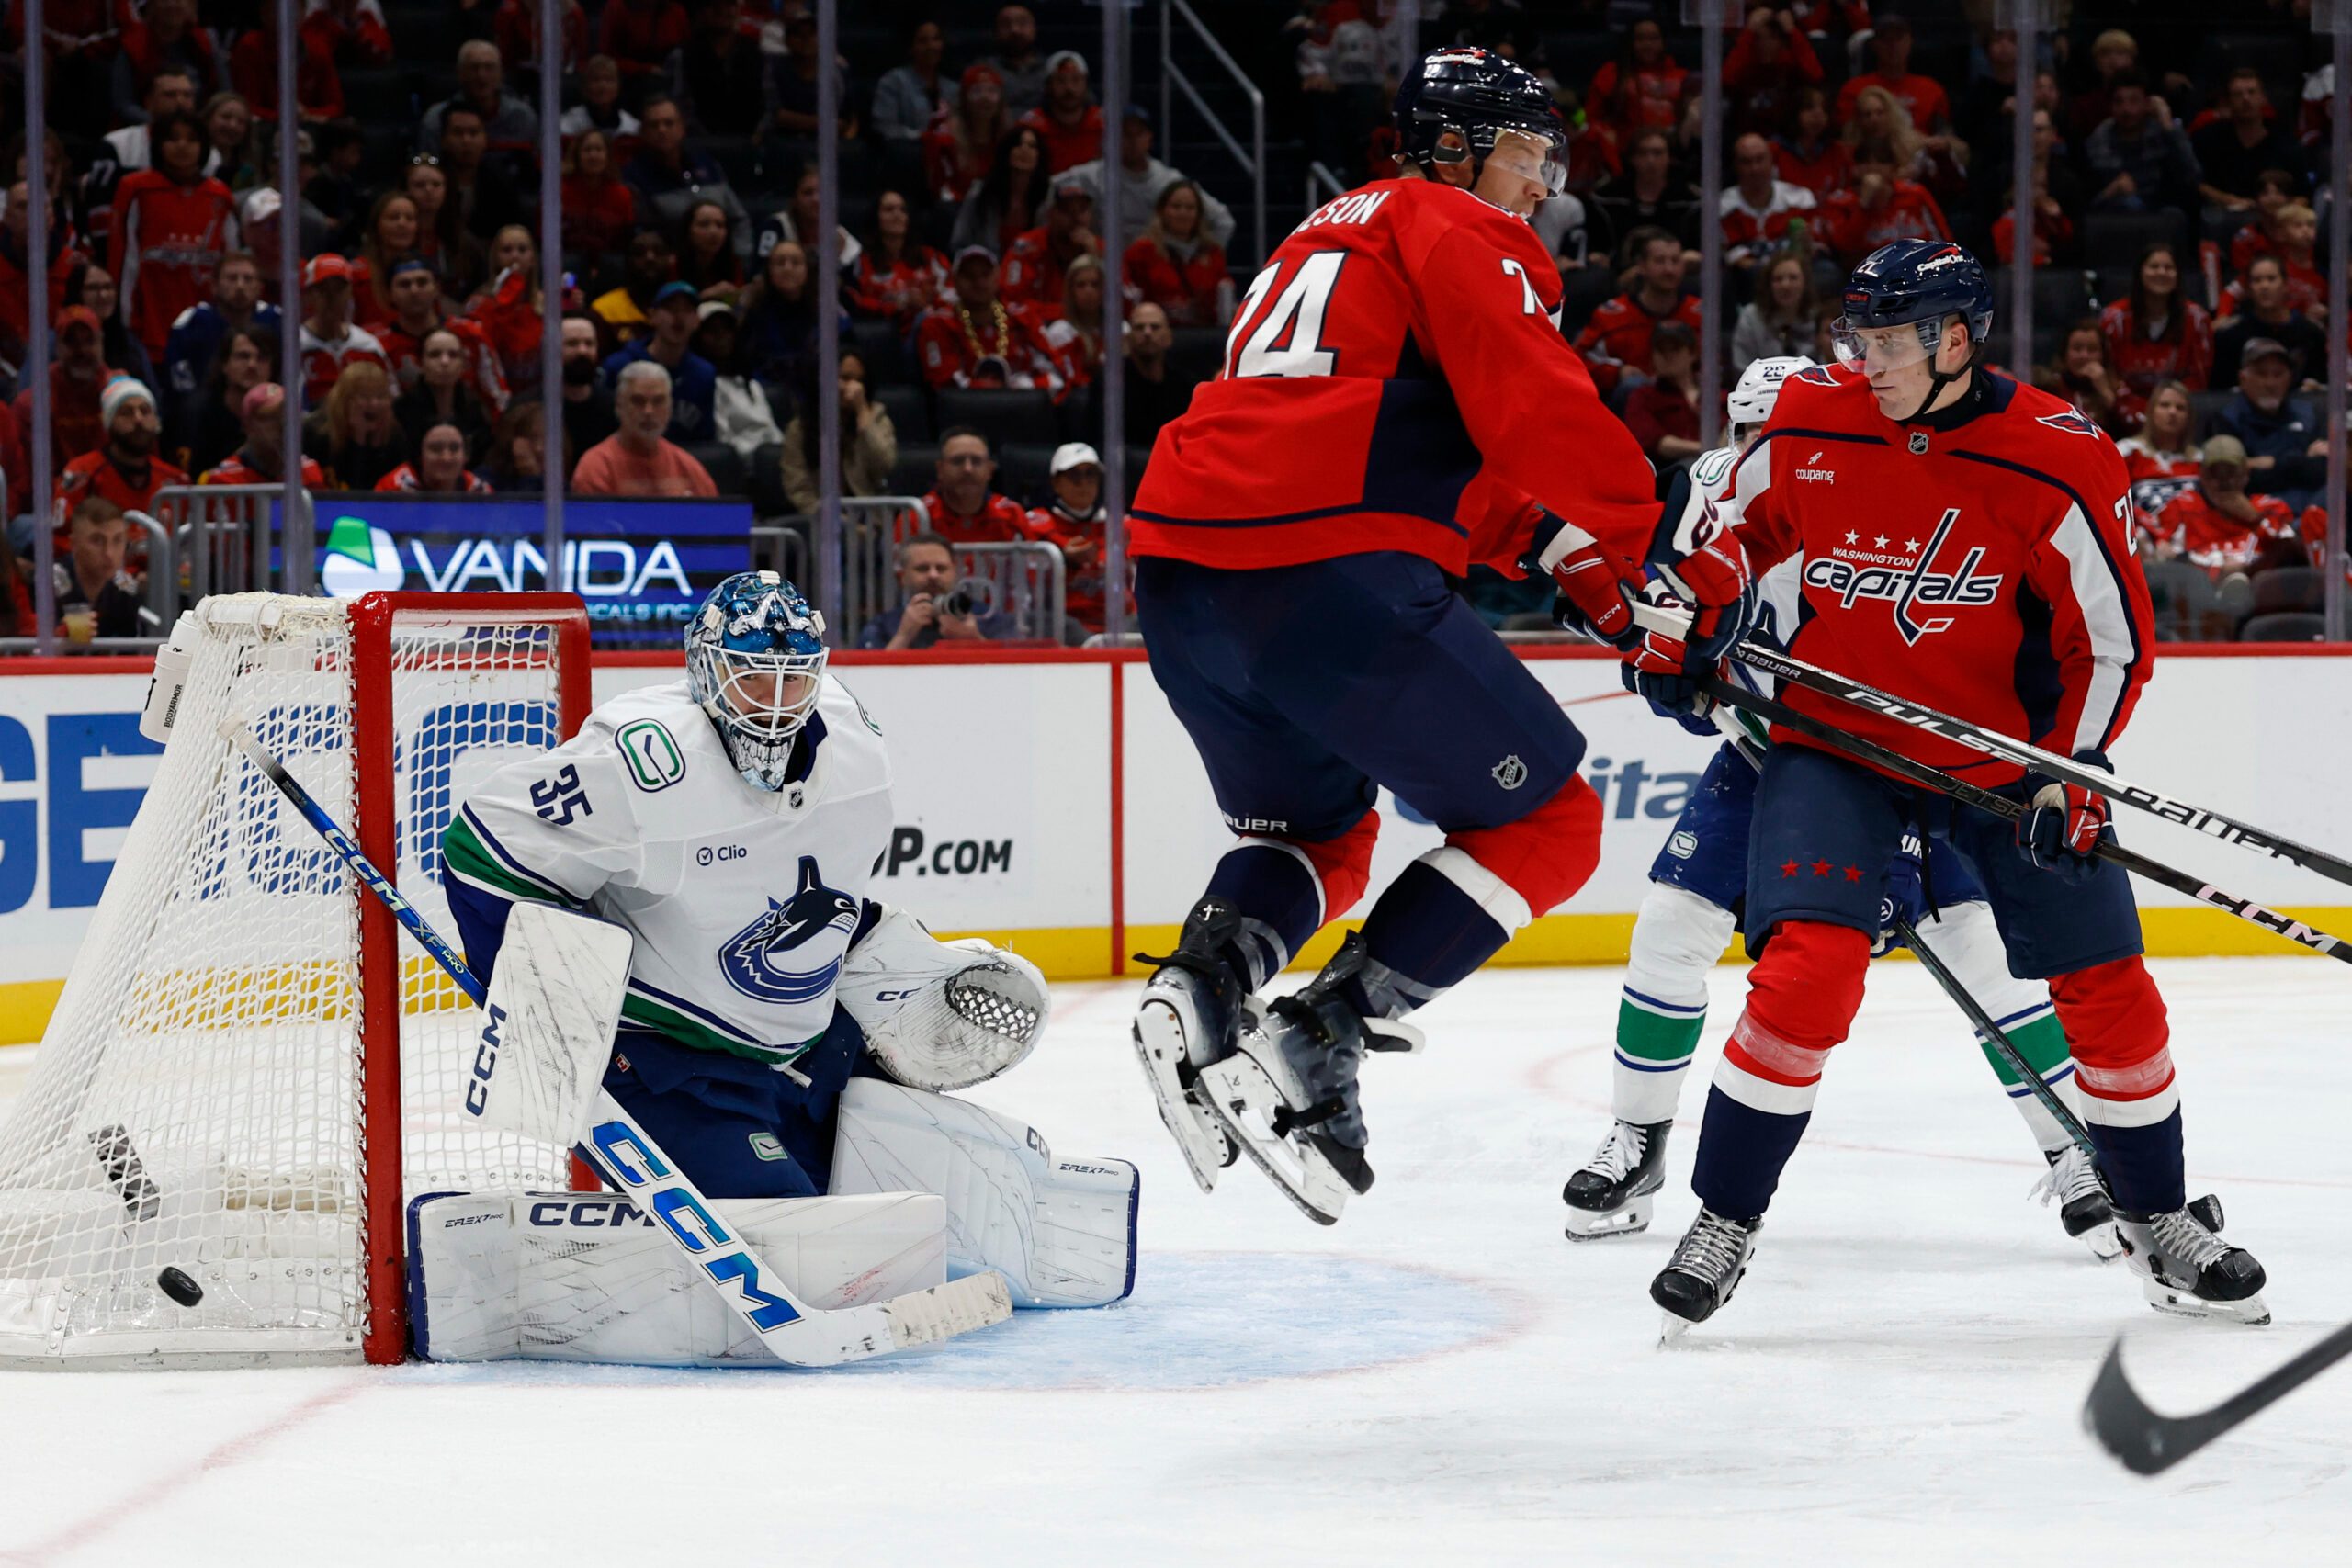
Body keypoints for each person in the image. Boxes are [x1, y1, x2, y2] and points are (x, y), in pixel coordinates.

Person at [1619, 238, 2266, 1329]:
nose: (1860, 358)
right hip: (1837, 747)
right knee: (1805, 978)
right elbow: (1736, 539)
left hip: (2004, 765)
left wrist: (2077, 772)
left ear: (1953, 339)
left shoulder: (2055, 454)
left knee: (2111, 994)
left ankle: (2156, 1218)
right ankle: (1724, 1216)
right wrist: (1684, 611)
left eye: (1884, 340)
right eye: (1854, 336)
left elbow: (2103, 646)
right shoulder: (1813, 421)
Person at [1124, 49, 1658, 1217]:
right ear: (1455, 149)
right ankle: (1325, 1031)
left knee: (1312, 831)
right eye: (1523, 154)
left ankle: (1209, 982)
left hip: (1180, 572)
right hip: (1321, 571)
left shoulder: (1322, 232)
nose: (1539, 184)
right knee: (1553, 821)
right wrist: (1652, 549)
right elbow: (1533, 403)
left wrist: (1558, 548)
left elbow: (1385, 424)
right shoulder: (1458, 225)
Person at [436, 570, 1123, 1337]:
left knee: (958, 1222)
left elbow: (818, 891)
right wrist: (548, 1009)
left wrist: (886, 954)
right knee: (819, 1261)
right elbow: (480, 849)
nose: (773, 697)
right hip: (674, 1064)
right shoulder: (640, 762)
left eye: (793, 676)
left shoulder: (857, 745)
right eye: (751, 670)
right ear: (703, 667)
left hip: (806, 1050)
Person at [1559, 355, 2115, 1254]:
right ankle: (1638, 1141)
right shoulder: (1704, 500)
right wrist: (1672, 677)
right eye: (1748, 435)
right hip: (1768, 759)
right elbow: (1653, 636)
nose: (1761, 455)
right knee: (1668, 926)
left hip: (1902, 764)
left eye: (1779, 434)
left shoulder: (1873, 495)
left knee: (1973, 945)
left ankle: (2073, 1147)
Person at [108, 107, 236, 367]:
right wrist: (125, 320)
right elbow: (124, 258)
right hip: (148, 326)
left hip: (207, 329)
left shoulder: (219, 195)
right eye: (173, 138)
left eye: (191, 139)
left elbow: (231, 262)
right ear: (158, 144)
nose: (182, 146)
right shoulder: (136, 189)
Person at [1062, 107, 1236, 251]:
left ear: (1149, 138)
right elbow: (1050, 189)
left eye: (1139, 133)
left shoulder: (1168, 180)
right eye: (1126, 134)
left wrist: (1194, 257)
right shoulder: (1091, 175)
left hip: (1154, 275)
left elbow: (1223, 221)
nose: (1133, 140)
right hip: (1105, 269)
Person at [53, 378, 186, 551]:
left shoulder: (175, 480)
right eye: (126, 412)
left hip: (162, 576)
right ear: (108, 423)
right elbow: (59, 540)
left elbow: (189, 547)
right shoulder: (81, 474)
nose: (138, 419)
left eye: (145, 411)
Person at [913, 247, 1069, 393]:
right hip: (964, 414)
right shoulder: (937, 324)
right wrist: (1001, 391)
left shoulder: (1023, 317)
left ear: (997, 277)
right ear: (955, 281)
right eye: (969, 276)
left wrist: (1024, 388)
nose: (978, 282)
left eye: (985, 274)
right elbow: (943, 384)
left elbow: (1056, 368)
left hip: (1023, 409)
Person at [2145, 433, 2298, 581]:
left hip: (2258, 598)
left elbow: (2292, 551)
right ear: (2203, 475)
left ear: (2245, 474)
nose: (2224, 482)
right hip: (2198, 598)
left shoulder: (2269, 507)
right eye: (2215, 473)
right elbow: (2161, 555)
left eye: (2231, 473)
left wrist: (2254, 518)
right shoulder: (2182, 506)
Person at [1575, 226, 1705, 395]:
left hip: (1686, 405)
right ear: (1641, 266)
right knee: (1632, 386)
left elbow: (1719, 367)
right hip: (1628, 406)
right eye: (1659, 261)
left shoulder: (1701, 313)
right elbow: (1574, 361)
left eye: (1675, 261)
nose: (1669, 269)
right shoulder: (1611, 315)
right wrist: (1617, 373)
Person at [2098, 243, 2211, 431]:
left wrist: (2167, 411)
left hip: (2176, 419)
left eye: (2168, 268)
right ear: (2140, 273)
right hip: (2122, 418)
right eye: (2154, 266)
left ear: (2178, 276)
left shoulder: (2197, 320)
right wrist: (2137, 412)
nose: (2161, 272)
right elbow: (2110, 375)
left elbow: (2197, 381)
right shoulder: (2113, 319)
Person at [624, 96, 752, 261]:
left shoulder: (707, 164)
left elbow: (738, 218)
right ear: (643, 132)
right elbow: (645, 235)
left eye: (669, 123)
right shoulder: (634, 176)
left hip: (721, 262)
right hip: (671, 267)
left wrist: (740, 258)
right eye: (654, 125)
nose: (662, 130)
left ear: (682, 127)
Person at [374, 257, 507, 412]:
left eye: (422, 282)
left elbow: (498, 396)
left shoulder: (470, 334)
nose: (414, 291)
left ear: (437, 288)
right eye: (404, 284)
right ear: (389, 293)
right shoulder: (379, 346)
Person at [2209, 340, 2326, 513]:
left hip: (2314, 510)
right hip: (2257, 514)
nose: (2271, 383)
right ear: (2243, 379)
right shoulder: (2225, 421)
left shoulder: (2309, 414)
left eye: (2278, 374)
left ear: (2289, 378)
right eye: (2261, 374)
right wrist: (2302, 459)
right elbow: (2237, 480)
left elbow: (2324, 470)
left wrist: (2272, 463)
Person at [571, 359, 718, 497]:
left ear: (670, 407)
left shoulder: (688, 467)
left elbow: (715, 520)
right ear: (619, 405)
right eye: (638, 401)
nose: (649, 411)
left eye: (658, 401)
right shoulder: (596, 468)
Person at [780, 348, 896, 514]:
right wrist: (840, 524)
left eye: (859, 381)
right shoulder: (800, 429)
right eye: (846, 378)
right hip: (822, 523)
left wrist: (863, 413)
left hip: (872, 520)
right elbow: (799, 490)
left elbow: (884, 466)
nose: (854, 388)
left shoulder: (878, 419)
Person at [164, 250, 280, 413]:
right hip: (205, 413)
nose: (240, 286)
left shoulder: (277, 320)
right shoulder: (191, 322)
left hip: (268, 407)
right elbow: (179, 383)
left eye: (248, 279)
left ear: (260, 287)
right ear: (214, 286)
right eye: (232, 278)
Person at [856, 534, 1022, 649]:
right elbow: (866, 681)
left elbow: (1013, 674)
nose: (933, 575)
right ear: (903, 576)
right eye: (922, 568)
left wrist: (974, 639)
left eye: (941, 568)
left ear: (955, 572)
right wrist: (903, 637)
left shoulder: (987, 618)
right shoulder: (883, 625)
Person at [605, 281, 718, 444]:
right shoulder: (619, 366)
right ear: (652, 316)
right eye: (670, 309)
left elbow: (705, 438)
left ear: (697, 321)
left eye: (687, 310)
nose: (678, 317)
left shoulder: (705, 373)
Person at [1022, 441, 1113, 637]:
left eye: (1091, 475)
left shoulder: (1118, 525)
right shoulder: (1036, 524)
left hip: (1115, 622)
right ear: (1056, 483)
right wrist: (1062, 559)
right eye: (1074, 476)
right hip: (1063, 623)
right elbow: (1025, 584)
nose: (1084, 484)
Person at [2192, 69, 2307, 222]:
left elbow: (2303, 195)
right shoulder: (2209, 137)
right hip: (2225, 214)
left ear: (2263, 98)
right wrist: (2226, 199)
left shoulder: (2285, 141)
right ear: (2228, 101)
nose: (2246, 99)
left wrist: (2282, 208)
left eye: (2251, 92)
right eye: (2238, 94)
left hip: (2276, 218)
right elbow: (2197, 184)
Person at [1817, 139, 1951, 266]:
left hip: (1918, 269)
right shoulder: (1840, 202)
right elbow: (1844, 248)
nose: (1873, 168)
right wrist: (1864, 205)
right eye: (1866, 162)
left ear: (1893, 168)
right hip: (1866, 276)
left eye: (1881, 162)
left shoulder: (1915, 194)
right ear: (1856, 169)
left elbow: (1942, 238)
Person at [2085, 70, 2200, 216]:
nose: (2126, 109)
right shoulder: (2099, 139)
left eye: (2134, 101)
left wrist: (2169, 127)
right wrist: (2110, 192)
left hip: (2159, 214)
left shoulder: (2162, 133)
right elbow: (2085, 202)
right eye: (2119, 102)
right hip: (2115, 218)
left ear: (2147, 104)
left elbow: (2192, 177)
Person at [417, 40, 539, 175]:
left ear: (501, 74)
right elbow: (427, 167)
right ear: (460, 73)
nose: (481, 75)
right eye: (474, 68)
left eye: (489, 67)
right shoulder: (436, 119)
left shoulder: (523, 118)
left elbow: (535, 168)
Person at [0, 178, 83, 369]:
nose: (32, 214)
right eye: (22, 207)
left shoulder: (75, 269)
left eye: (39, 206)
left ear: (52, 216)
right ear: (6, 217)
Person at [2211, 254, 2325, 389]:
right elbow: (2219, 391)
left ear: (2285, 285)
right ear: (2248, 289)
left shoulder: (2311, 333)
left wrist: (2315, 388)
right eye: (2257, 280)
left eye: (2271, 279)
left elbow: (2322, 384)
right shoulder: (2231, 336)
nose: (2264, 286)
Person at [16, 305, 112, 467]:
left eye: (89, 340)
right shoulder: (33, 405)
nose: (82, 350)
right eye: (71, 342)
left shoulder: (122, 396)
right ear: (57, 347)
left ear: (101, 342)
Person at [691, 297, 783, 462]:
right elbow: (725, 442)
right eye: (712, 331)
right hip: (742, 468)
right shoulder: (702, 386)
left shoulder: (750, 383)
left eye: (726, 330)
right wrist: (765, 457)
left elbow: (771, 429)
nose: (721, 337)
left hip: (771, 462)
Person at [1589, 128, 1702, 262]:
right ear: (1632, 158)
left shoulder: (1690, 199)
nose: (1650, 160)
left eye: (1658, 153)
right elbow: (1599, 248)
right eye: (1643, 153)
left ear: (1669, 158)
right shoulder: (1607, 198)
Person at [1720, 132, 1817, 288]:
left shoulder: (1800, 199)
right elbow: (1737, 259)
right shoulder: (1723, 206)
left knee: (1827, 271)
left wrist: (1807, 243)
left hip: (1796, 271)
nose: (1755, 168)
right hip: (1750, 277)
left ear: (1772, 162)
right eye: (1746, 162)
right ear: (1736, 166)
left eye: (1760, 159)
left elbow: (1809, 251)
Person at [1124, 180, 1227, 328]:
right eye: (1176, 206)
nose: (1183, 213)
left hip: (1203, 334)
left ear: (1199, 214)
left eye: (1190, 208)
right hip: (1155, 335)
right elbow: (1131, 297)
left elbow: (1221, 296)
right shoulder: (1142, 251)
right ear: (1162, 211)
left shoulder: (1212, 252)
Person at [295, 253, 391, 402]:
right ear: (309, 295)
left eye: (339, 289)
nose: (331, 298)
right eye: (323, 290)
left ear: (350, 293)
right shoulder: (296, 345)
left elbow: (390, 395)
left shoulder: (367, 346)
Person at [1832, 13, 1950, 135]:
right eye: (1885, 39)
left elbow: (1944, 137)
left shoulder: (1932, 89)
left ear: (1910, 42)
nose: (1893, 45)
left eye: (1898, 38)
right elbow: (1848, 138)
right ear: (1874, 45)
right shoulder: (1854, 89)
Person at [180, 323, 275, 475]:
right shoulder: (197, 415)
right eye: (243, 356)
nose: (252, 365)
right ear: (224, 364)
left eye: (262, 358)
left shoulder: (281, 414)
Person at [850, 189, 948, 332]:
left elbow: (952, 293)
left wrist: (927, 303)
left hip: (932, 327)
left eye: (903, 210)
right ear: (876, 218)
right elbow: (856, 301)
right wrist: (897, 306)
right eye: (889, 210)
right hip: (891, 334)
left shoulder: (931, 257)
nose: (898, 215)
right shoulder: (862, 262)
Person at [302, 358, 406, 491]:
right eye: (364, 397)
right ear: (345, 399)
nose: (374, 404)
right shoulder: (316, 433)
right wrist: (359, 439)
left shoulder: (394, 435)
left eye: (380, 397)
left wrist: (374, 447)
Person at [51, 497, 147, 642]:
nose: (109, 553)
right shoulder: (49, 583)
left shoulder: (127, 589)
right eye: (97, 540)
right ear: (74, 544)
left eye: (117, 540)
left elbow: (134, 651)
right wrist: (59, 636)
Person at [393, 326, 495, 461]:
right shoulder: (401, 410)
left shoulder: (476, 409)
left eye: (453, 355)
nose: (445, 362)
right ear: (420, 363)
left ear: (463, 364)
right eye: (435, 355)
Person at [200, 381, 329, 487]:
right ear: (247, 425)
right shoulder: (222, 481)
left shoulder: (309, 471)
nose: (282, 425)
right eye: (270, 418)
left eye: (287, 416)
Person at [433, 104, 526, 247]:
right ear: (443, 140)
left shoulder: (501, 181)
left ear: (485, 139)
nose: (466, 140)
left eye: (473, 132)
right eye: (458, 133)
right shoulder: (432, 181)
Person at [951, 124, 1048, 258]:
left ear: (1039, 156)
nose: (1024, 149)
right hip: (984, 274)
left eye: (1032, 146)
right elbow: (959, 243)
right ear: (1006, 152)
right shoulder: (980, 194)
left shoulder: (1047, 198)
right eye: (1018, 144)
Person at [1001, 178, 1100, 311]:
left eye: (1082, 210)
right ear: (1050, 214)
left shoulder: (1101, 249)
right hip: (1036, 327)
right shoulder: (1026, 247)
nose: (1076, 218)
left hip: (1088, 328)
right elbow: (1012, 302)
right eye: (1067, 210)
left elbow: (1124, 304)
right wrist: (1065, 314)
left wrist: (1095, 261)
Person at [920, 426, 1029, 544]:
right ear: (940, 469)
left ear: (990, 470)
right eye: (958, 461)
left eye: (976, 461)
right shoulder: (918, 515)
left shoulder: (1012, 515)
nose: (968, 469)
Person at [2116, 379, 2202, 524]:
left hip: (2192, 539)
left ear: (2189, 417)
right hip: (2141, 538)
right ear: (2150, 411)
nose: (2172, 412)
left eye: (2180, 408)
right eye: (2164, 405)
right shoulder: (2127, 451)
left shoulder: (2201, 460)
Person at [676, 0, 765, 139]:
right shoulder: (683, 54)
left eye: (729, 5)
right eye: (714, 5)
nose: (722, 11)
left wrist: (758, 134)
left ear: (737, 9)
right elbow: (680, 105)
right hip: (698, 143)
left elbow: (769, 101)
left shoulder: (755, 51)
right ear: (702, 12)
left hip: (750, 142)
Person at [1621, 318, 1703, 466]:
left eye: (1675, 349)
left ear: (1692, 353)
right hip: (1670, 472)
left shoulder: (1717, 395)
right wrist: (1709, 447)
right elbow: (1655, 443)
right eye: (1660, 350)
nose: (1667, 355)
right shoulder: (1643, 397)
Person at [1588, 17, 1688, 139]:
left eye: (1654, 39)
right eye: (1640, 39)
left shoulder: (1683, 77)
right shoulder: (1611, 73)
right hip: (1624, 148)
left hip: (1674, 148)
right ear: (1630, 43)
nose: (1648, 45)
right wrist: (1602, 132)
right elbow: (1589, 117)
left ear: (1663, 42)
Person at [924, 64, 1009, 206]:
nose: (985, 98)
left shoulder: (1009, 139)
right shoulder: (945, 139)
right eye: (977, 91)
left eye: (992, 91)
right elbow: (939, 191)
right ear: (964, 99)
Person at [1119, 300, 1197, 447]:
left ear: (1168, 337)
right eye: (1139, 327)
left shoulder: (1183, 385)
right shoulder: (1112, 385)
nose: (1147, 333)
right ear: (1128, 338)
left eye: (1155, 327)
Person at [872, 19, 956, 151]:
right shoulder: (894, 82)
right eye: (923, 41)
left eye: (936, 39)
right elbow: (885, 127)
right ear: (911, 48)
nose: (931, 46)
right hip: (908, 156)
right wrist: (923, 137)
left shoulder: (953, 88)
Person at [1015, 51, 1103, 176]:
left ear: (1086, 84)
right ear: (1048, 85)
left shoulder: (1104, 123)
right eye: (1061, 80)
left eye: (1076, 79)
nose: (1069, 87)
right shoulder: (1031, 127)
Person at [2033, 318, 2125, 434]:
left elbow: (2135, 430)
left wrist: (2105, 391)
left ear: (2103, 355)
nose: (2084, 356)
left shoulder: (2119, 389)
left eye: (2092, 349)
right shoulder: (2048, 388)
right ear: (2065, 353)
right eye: (2077, 348)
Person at [560, 128, 637, 265]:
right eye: (587, 150)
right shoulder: (560, 192)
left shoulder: (622, 194)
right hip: (567, 262)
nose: (593, 156)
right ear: (577, 155)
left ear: (608, 156)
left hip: (610, 265)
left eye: (599, 150)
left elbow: (627, 239)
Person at [1733, 250, 1818, 372]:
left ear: (1805, 283)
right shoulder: (1751, 317)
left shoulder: (1817, 316)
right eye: (1778, 279)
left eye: (1793, 278)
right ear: (1768, 285)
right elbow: (1741, 366)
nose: (1785, 285)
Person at [593, 230, 677, 348]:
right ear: (627, 261)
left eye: (659, 252)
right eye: (639, 253)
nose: (650, 258)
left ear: (671, 259)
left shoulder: (683, 306)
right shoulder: (604, 309)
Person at [557, 311, 617, 468]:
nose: (582, 351)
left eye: (589, 343)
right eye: (572, 343)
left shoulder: (616, 409)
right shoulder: (529, 408)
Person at [1773, 85, 1851, 201]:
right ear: (1795, 112)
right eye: (1809, 108)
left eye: (1824, 109)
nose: (1818, 114)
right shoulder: (1774, 151)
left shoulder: (1838, 151)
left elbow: (1848, 194)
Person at [597, 0, 689, 94]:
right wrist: (645, 69)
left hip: (670, 74)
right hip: (630, 76)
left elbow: (686, 50)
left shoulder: (676, 10)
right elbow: (607, 59)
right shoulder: (617, 8)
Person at [376, 422, 492, 494]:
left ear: (466, 455)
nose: (446, 458)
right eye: (435, 449)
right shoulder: (392, 488)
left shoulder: (479, 492)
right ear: (419, 455)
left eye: (454, 448)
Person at [559, 55, 640, 151]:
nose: (602, 86)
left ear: (618, 87)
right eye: (596, 80)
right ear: (585, 87)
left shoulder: (631, 126)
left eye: (609, 80)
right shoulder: (569, 124)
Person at [983, 5, 1047, 117]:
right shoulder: (983, 70)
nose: (1015, 30)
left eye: (1022, 23)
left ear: (1034, 29)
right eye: (1006, 24)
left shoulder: (1052, 69)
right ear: (995, 32)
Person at [484, 400, 561, 493]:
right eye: (532, 439)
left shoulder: (559, 481)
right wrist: (529, 475)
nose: (539, 448)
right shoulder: (487, 479)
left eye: (546, 439)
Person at [675, 199, 742, 295]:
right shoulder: (672, 266)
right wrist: (706, 295)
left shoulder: (733, 263)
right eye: (704, 224)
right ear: (688, 230)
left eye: (720, 225)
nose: (713, 232)